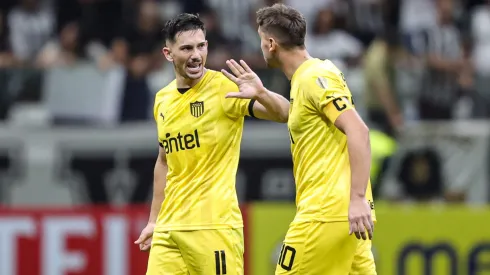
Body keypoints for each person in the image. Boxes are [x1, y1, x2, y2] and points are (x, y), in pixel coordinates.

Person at [221, 4, 377, 274]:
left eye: (261, 40)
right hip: (344, 217)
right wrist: (262, 94)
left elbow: (359, 130)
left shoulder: (313, 78)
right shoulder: (314, 74)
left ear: (271, 44)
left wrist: (357, 197)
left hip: (324, 214)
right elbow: (295, 115)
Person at [134, 13, 290, 275]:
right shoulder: (162, 99)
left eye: (201, 46)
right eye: (186, 48)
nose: (196, 55)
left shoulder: (223, 88)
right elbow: (163, 160)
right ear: (168, 53)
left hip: (214, 228)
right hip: (169, 230)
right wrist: (153, 221)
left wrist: (261, 92)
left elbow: (285, 113)